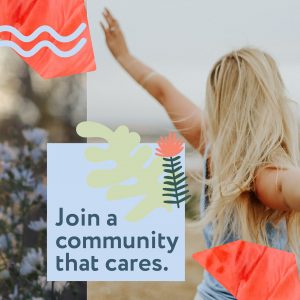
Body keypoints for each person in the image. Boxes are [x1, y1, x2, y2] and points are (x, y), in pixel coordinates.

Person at [100, 8, 300, 299]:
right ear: (272, 101)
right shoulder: (264, 177)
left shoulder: (211, 148)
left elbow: (163, 91)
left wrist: (124, 56)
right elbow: (287, 185)